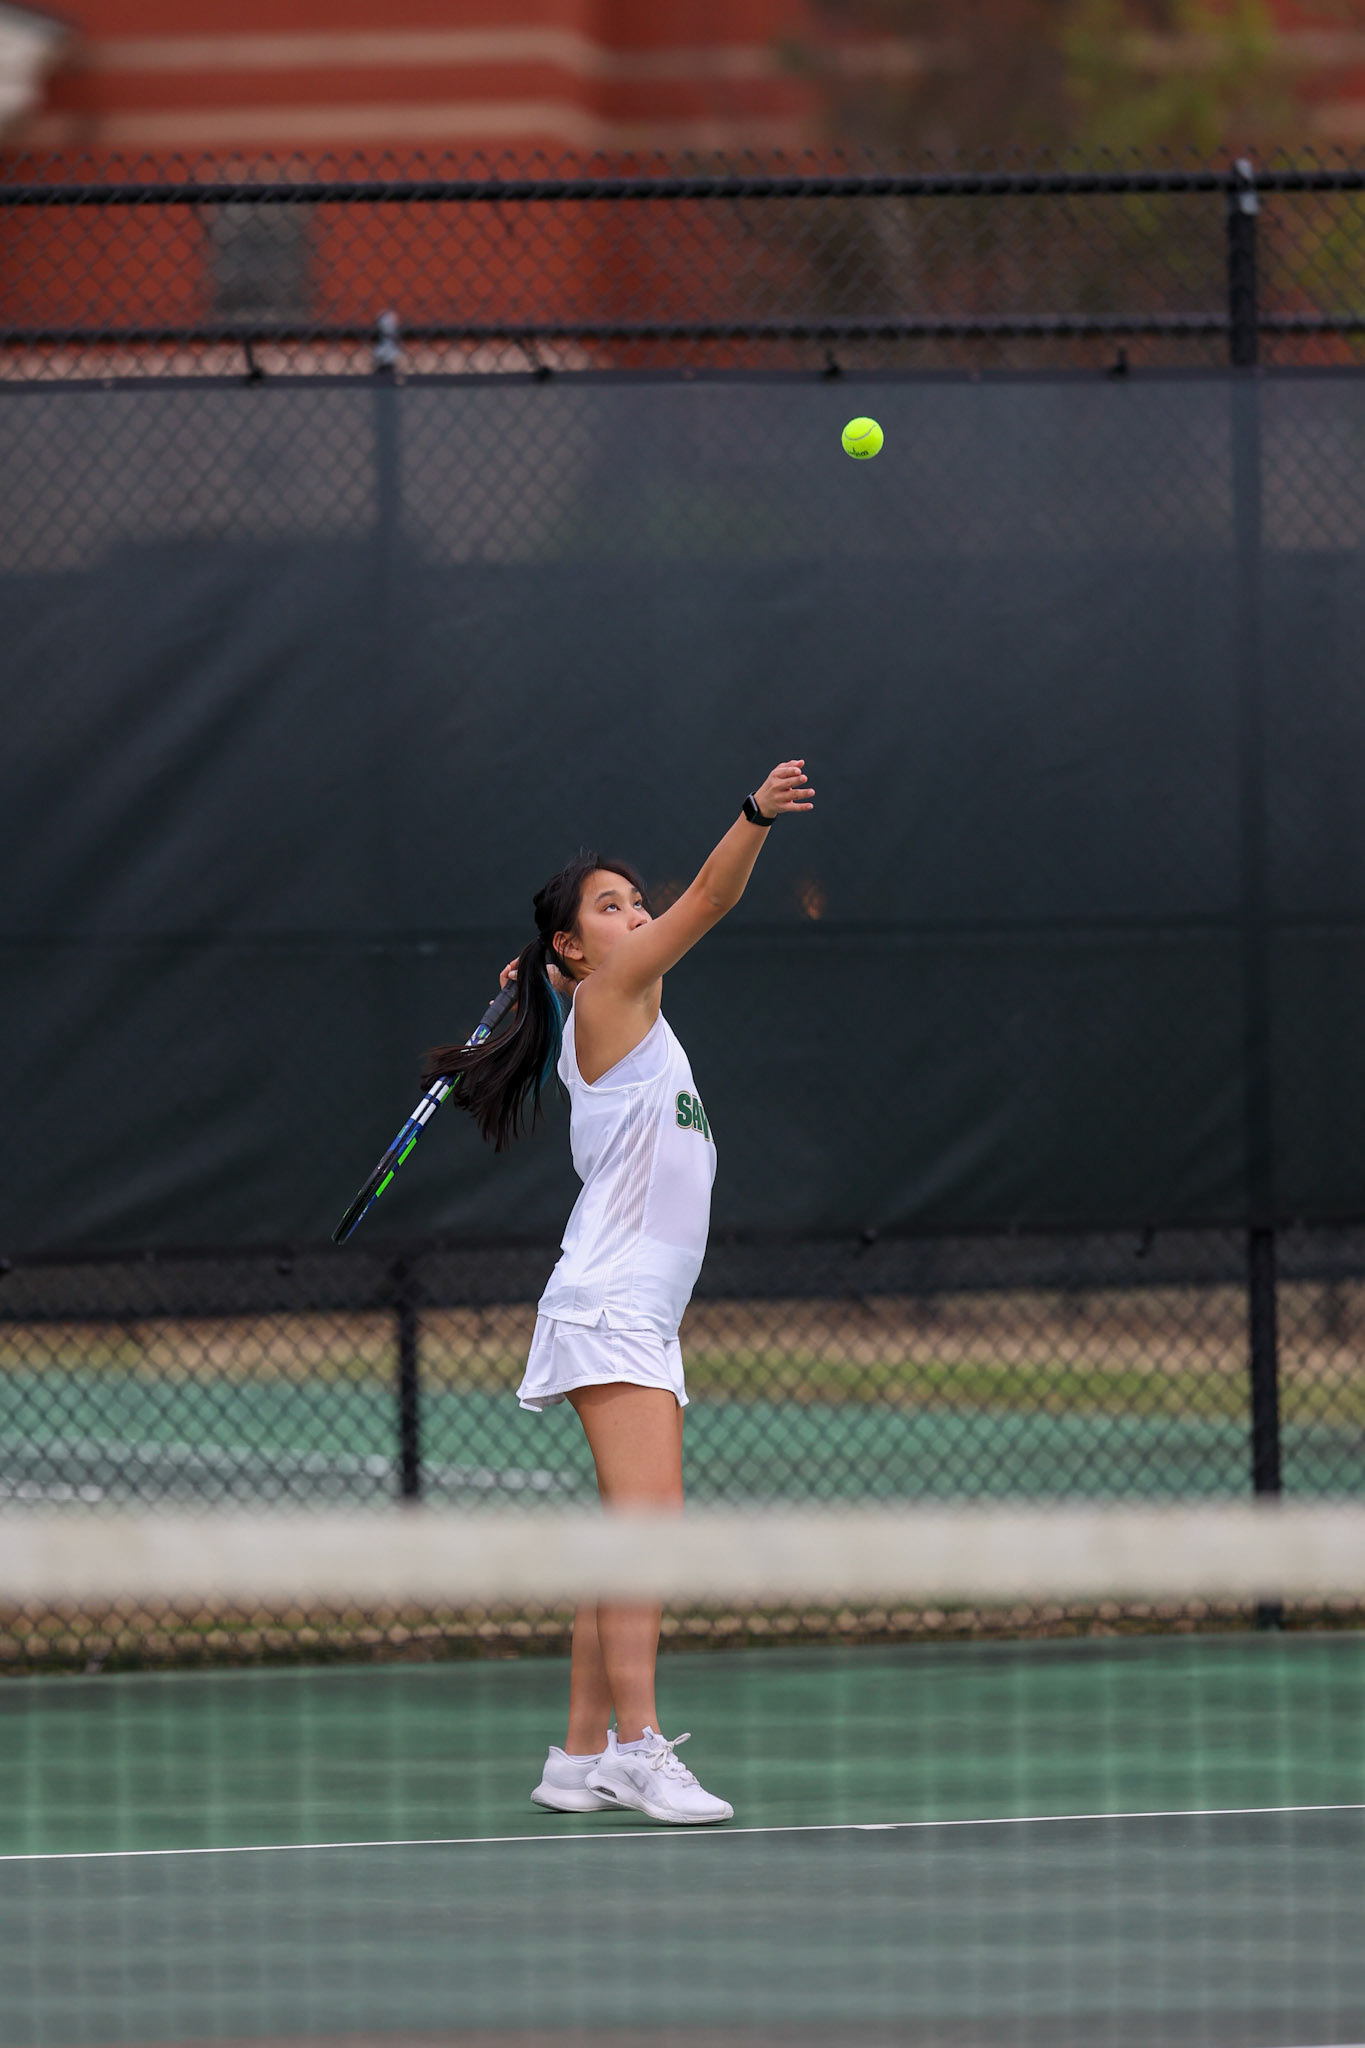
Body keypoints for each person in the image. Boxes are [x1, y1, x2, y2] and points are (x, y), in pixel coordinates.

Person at [426, 760, 815, 1825]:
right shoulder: (608, 994)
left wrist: (541, 978)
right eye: (612, 905)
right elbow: (715, 897)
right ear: (573, 945)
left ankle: (578, 1752)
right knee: (651, 1532)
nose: (637, 914)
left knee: (624, 1533)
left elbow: (595, 965)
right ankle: (639, 1749)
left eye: (635, 902)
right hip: (613, 1304)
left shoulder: (610, 1005)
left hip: (632, 1309)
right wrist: (752, 816)